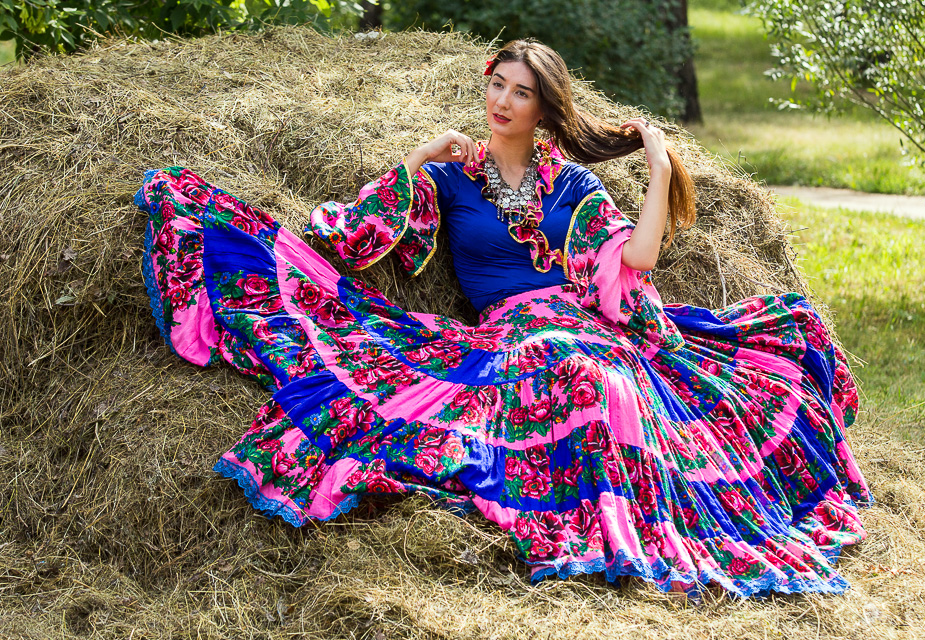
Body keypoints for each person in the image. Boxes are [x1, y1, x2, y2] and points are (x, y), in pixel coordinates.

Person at [136, 39, 871, 598]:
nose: (503, 101)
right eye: (497, 85)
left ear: (544, 109)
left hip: (584, 325)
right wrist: (416, 157)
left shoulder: (572, 184)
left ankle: (633, 526)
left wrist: (657, 172)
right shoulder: (450, 178)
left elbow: (637, 260)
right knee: (577, 377)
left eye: (521, 93)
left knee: (606, 379)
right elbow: (349, 235)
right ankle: (604, 520)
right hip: (510, 330)